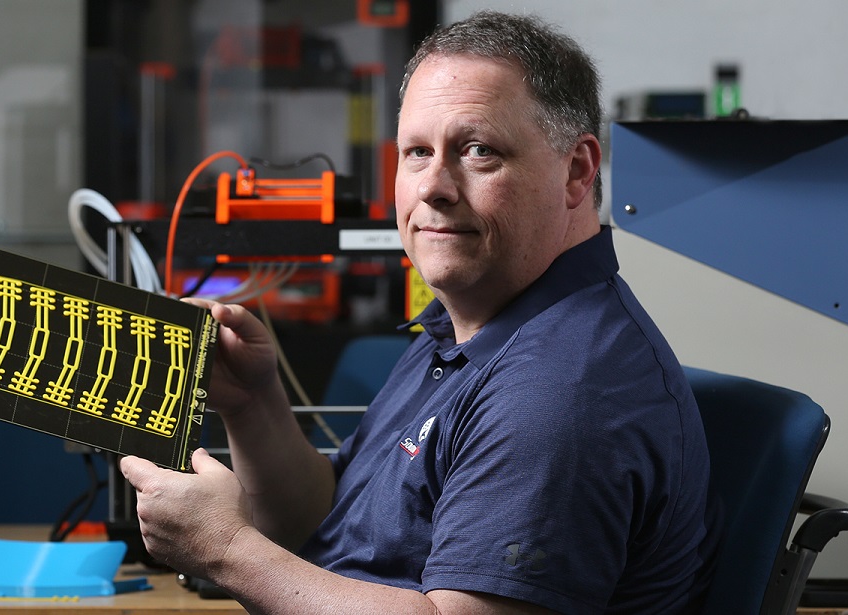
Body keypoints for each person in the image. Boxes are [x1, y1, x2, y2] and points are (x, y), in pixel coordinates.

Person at [120, 11, 719, 614]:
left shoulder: (558, 387)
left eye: (477, 150)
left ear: (577, 170)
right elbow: (326, 521)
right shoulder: (469, 329)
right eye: (416, 152)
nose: (433, 185)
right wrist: (253, 404)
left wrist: (226, 550)